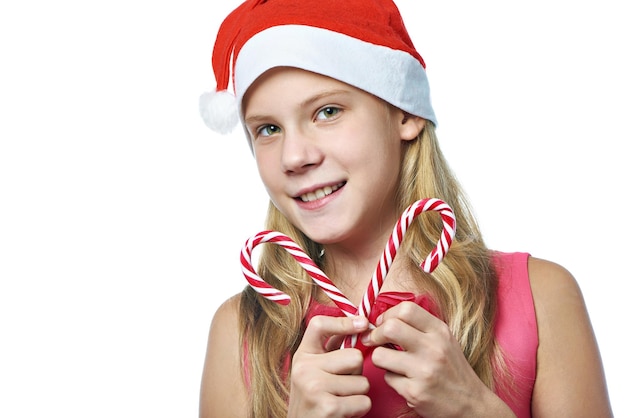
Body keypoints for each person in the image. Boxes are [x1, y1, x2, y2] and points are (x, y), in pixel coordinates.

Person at [198, 0, 613, 417]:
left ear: (405, 113)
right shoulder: (241, 333)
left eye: (327, 112)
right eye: (268, 129)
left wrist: (472, 408)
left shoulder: (541, 298)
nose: (294, 156)